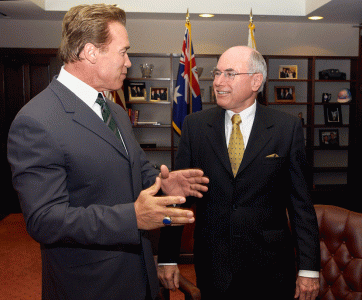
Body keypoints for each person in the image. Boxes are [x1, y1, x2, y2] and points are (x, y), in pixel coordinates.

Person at [7, 4, 209, 300]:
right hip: (90, 285)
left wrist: (161, 183)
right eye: (123, 51)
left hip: (139, 275)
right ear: (90, 52)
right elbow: (45, 219)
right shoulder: (36, 121)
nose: (128, 62)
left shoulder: (114, 110)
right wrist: (133, 218)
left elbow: (135, 170)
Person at [157, 46, 320, 300]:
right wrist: (167, 258)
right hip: (214, 267)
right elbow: (178, 198)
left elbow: (301, 205)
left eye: (229, 74)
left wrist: (309, 269)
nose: (218, 82)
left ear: (256, 80)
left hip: (271, 268)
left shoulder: (286, 128)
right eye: (217, 73)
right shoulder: (195, 127)